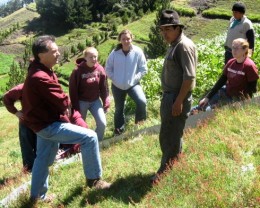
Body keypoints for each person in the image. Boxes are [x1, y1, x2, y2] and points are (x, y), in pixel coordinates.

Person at [21, 35, 111, 202]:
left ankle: (36, 197)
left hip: (41, 124)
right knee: (90, 137)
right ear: (41, 55)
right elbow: (64, 102)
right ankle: (94, 180)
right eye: (54, 51)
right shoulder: (40, 76)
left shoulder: (40, 70)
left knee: (43, 159)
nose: (58, 54)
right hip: (48, 125)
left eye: (58, 50)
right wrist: (75, 117)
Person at [151, 9, 197, 183]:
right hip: (171, 96)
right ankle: (175, 164)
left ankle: (164, 172)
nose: (164, 33)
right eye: (162, 30)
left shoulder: (183, 46)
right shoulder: (175, 44)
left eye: (168, 29)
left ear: (178, 28)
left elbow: (189, 77)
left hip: (176, 98)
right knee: (171, 134)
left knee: (169, 136)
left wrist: (178, 101)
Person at [105, 29, 148, 135]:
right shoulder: (114, 53)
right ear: (120, 40)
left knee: (141, 101)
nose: (126, 41)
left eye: (128, 38)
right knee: (119, 108)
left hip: (133, 84)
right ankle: (119, 129)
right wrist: (114, 78)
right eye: (123, 39)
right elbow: (108, 69)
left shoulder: (137, 52)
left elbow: (143, 69)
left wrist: (135, 79)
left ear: (131, 38)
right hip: (117, 86)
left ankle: (140, 123)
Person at [197, 38, 259, 111]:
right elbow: (221, 80)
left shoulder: (249, 66)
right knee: (202, 105)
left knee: (210, 110)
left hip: (238, 98)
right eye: (233, 47)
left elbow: (252, 88)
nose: (233, 50)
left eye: (236, 48)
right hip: (226, 92)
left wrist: (244, 102)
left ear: (244, 50)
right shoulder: (231, 62)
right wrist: (207, 97)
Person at [69, 47, 110, 141]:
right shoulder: (77, 71)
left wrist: (106, 101)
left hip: (95, 101)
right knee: (80, 126)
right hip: (81, 101)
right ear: (85, 58)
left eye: (95, 57)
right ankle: (79, 145)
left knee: (102, 123)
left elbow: (104, 87)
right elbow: (73, 89)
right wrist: (75, 106)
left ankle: (96, 142)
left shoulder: (100, 69)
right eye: (91, 57)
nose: (94, 59)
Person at [3, 83, 37, 173]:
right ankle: (29, 170)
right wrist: (16, 112)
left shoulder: (44, 84)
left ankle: (41, 168)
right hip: (26, 122)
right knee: (27, 148)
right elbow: (6, 98)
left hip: (42, 122)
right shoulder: (23, 87)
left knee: (41, 147)